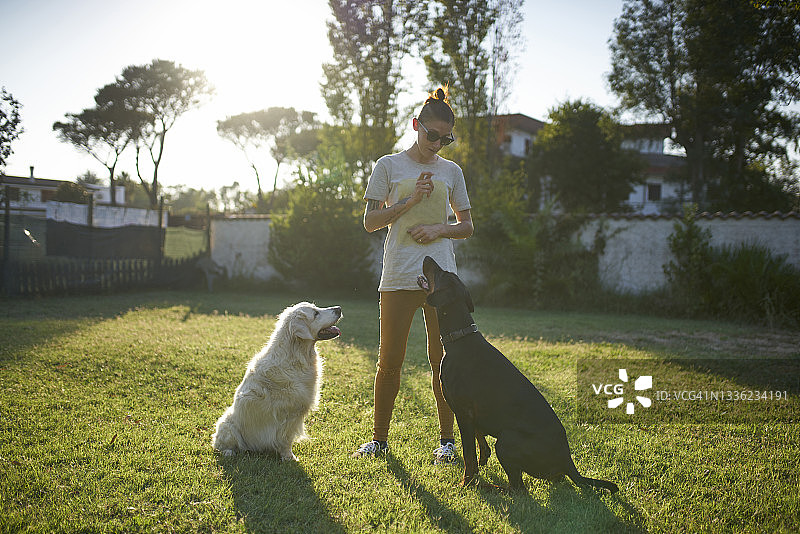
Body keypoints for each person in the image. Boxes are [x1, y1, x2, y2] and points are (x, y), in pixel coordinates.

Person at [354, 86, 473, 464]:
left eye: (445, 138)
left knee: (444, 361)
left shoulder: (452, 171)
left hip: (442, 281)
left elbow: (466, 225)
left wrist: (439, 229)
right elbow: (371, 222)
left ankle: (447, 443)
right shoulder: (388, 166)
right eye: (431, 135)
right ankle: (379, 440)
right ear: (415, 125)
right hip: (399, 275)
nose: (437, 144)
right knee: (390, 360)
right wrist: (409, 202)